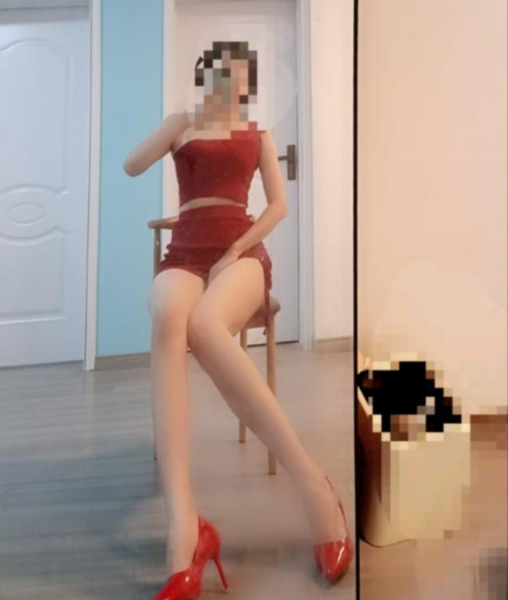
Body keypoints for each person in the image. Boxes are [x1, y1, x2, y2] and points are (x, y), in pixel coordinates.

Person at [123, 41, 353, 600]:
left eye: (237, 73)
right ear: (205, 76)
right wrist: (178, 120)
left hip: (240, 254)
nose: (227, 80)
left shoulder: (258, 134)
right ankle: (185, 527)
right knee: (167, 316)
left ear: (246, 84)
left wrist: (238, 249)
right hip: (184, 253)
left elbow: (278, 206)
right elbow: (132, 165)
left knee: (205, 325)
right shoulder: (184, 124)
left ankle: (314, 485)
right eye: (217, 70)